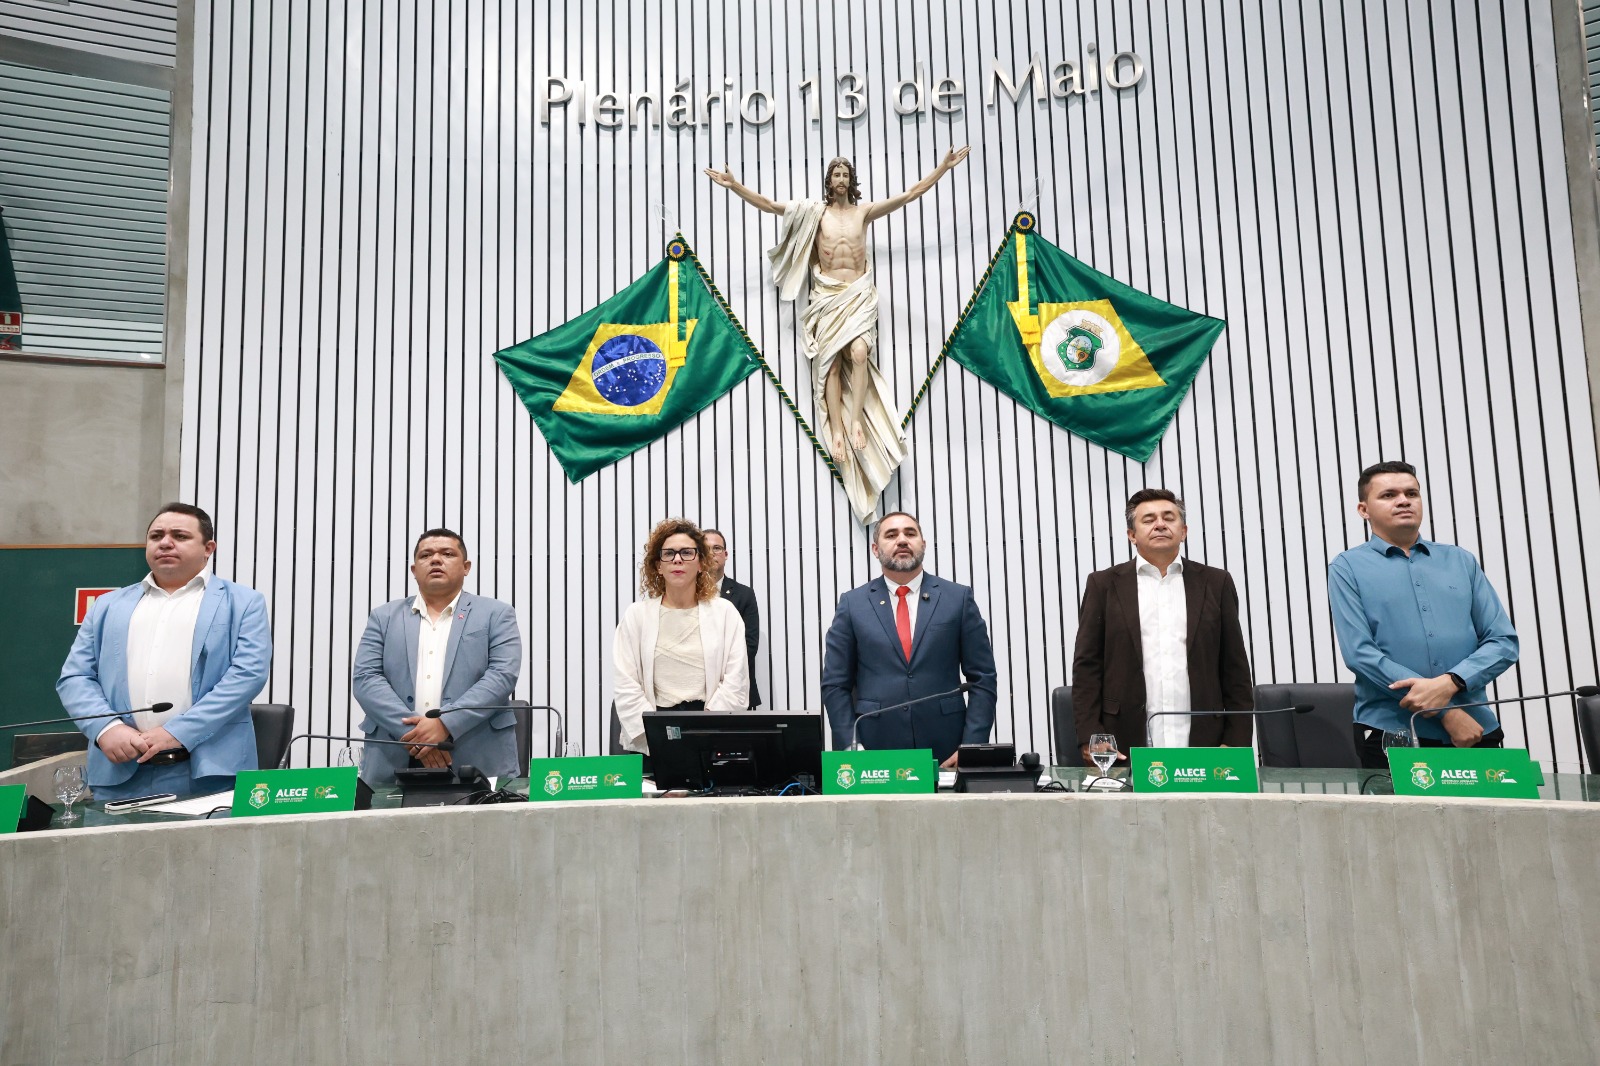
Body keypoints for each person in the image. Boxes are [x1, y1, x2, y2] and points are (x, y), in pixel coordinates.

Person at [705, 148, 970, 523]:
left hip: (858, 294)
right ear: (828, 182)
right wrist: (735, 187)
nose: (841, 180)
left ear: (852, 181)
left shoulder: (864, 212)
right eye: (836, 175)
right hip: (827, 296)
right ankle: (839, 429)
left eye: (846, 174)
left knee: (860, 353)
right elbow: (767, 205)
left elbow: (911, 195)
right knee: (828, 367)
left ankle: (858, 418)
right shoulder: (816, 213)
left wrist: (942, 167)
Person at [57, 503, 272, 800]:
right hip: (121, 768)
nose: (165, 542)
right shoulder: (108, 605)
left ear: (208, 548)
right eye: (156, 535)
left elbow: (248, 675)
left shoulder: (243, 602)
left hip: (209, 771)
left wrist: (179, 732)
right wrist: (106, 728)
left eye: (180, 536)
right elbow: (75, 677)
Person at [1328, 461, 1519, 768]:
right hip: (1392, 732)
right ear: (1364, 510)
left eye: (1411, 493)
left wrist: (1453, 682)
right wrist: (1448, 711)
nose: (1403, 500)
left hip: (1475, 729)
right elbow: (1360, 654)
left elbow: (1503, 642)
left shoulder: (1461, 561)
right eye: (1389, 495)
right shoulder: (1346, 568)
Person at [1071, 489, 1255, 766]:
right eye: (1148, 519)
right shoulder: (1103, 585)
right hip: (1123, 743)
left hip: (1207, 746)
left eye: (1169, 517)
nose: (1160, 524)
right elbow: (1087, 667)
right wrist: (1089, 736)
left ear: (1183, 531)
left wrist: (1236, 742)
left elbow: (1235, 670)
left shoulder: (1216, 583)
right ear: (1132, 535)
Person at [821, 511, 997, 766]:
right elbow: (835, 685)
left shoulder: (957, 599)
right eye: (891, 535)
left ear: (923, 545)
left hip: (947, 748)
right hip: (873, 750)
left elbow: (983, 679)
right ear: (875, 548)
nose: (902, 540)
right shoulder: (852, 604)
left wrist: (971, 745)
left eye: (910, 533)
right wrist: (851, 746)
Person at [353, 528, 523, 784]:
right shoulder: (384, 617)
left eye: (447, 553)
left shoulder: (496, 614)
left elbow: (501, 676)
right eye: (426, 555)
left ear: (466, 567)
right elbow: (366, 679)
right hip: (394, 752)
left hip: (477, 756)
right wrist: (416, 735)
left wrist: (446, 725)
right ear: (413, 570)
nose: (435, 560)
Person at [614, 519, 750, 755]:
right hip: (652, 735)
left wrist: (706, 730)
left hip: (711, 731)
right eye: (669, 553)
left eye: (687, 553)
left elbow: (736, 681)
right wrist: (654, 733)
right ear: (658, 565)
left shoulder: (725, 613)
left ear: (700, 563)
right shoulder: (637, 616)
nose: (678, 559)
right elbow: (626, 683)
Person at [702, 527, 762, 707]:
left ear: (726, 554)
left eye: (717, 548)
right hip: (697, 692)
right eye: (705, 549)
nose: (711, 553)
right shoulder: (687, 595)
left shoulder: (744, 594)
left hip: (737, 690)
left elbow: (750, 645)